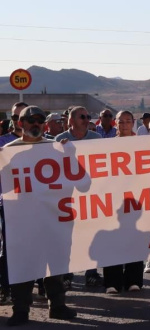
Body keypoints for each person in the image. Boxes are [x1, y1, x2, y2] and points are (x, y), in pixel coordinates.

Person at [5, 106, 77, 326]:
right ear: (21, 124)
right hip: (22, 220)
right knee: (23, 263)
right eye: (31, 120)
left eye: (39, 120)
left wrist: (69, 156)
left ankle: (57, 305)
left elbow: (77, 179)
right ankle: (20, 309)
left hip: (53, 216)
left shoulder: (55, 148)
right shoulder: (9, 151)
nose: (35, 123)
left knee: (56, 262)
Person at [55, 106, 103, 287]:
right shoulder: (60, 140)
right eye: (82, 116)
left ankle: (92, 272)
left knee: (90, 234)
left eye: (88, 116)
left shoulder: (96, 139)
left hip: (91, 195)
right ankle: (67, 273)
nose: (87, 119)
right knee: (69, 236)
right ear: (72, 121)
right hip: (68, 196)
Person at [102, 111, 146, 293]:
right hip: (112, 197)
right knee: (113, 239)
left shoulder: (142, 144)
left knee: (134, 237)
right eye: (121, 121)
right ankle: (112, 281)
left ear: (133, 123)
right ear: (115, 123)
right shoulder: (105, 144)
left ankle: (133, 280)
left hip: (136, 197)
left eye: (128, 121)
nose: (125, 124)